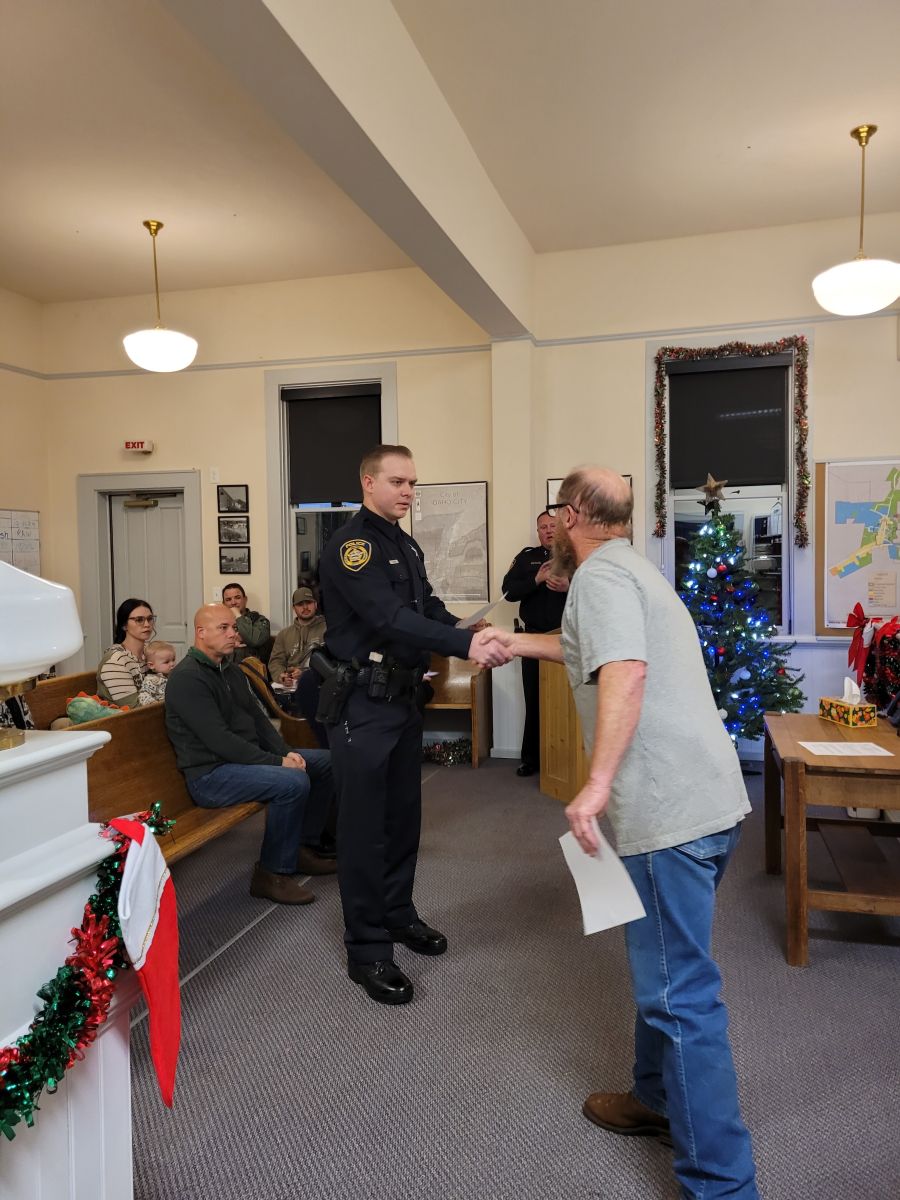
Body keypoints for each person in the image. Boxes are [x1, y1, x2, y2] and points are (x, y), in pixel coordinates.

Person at [483, 467, 758, 1200]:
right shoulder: (632, 570)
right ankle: (655, 1097)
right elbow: (580, 647)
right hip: (711, 803)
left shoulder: (600, 581)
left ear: (573, 515)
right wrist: (512, 644)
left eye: (554, 520)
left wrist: (597, 782)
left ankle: (724, 1188)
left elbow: (625, 673)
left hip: (667, 816)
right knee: (669, 965)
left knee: (682, 996)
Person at [317, 444, 510, 1005]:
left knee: (403, 820)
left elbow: (424, 607)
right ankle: (367, 948)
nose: (407, 492)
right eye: (398, 481)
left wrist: (469, 628)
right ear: (368, 482)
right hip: (361, 704)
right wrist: (465, 643)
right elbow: (387, 617)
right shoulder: (353, 546)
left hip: (401, 700)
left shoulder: (402, 543)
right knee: (363, 828)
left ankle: (398, 914)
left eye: (413, 483)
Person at [164, 604, 337, 904]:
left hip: (239, 763)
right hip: (211, 775)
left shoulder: (228, 669)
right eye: (225, 628)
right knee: (292, 783)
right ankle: (271, 874)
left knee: (325, 763)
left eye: (234, 627)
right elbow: (220, 741)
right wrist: (278, 763)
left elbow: (258, 721)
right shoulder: (187, 678)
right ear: (201, 633)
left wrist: (287, 753)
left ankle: (301, 848)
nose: (235, 634)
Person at [501, 510, 569, 776]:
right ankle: (531, 759)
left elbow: (594, 588)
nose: (548, 530)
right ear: (538, 531)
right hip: (533, 639)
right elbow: (507, 592)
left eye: (553, 525)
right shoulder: (526, 557)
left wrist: (569, 584)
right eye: (543, 527)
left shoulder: (574, 555)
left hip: (567, 641)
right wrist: (536, 579)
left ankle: (567, 761)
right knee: (535, 700)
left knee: (569, 703)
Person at [97, 598, 155, 708]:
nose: (147, 624)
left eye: (150, 619)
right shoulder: (115, 661)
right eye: (139, 620)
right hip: (122, 721)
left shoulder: (150, 652)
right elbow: (133, 708)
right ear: (124, 625)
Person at [268, 587, 327, 684]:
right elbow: (276, 662)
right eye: (300, 604)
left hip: (319, 683)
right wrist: (281, 676)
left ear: (315, 604)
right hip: (289, 687)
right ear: (293, 608)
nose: (305, 608)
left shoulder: (327, 630)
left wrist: (305, 673)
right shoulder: (284, 634)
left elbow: (332, 663)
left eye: (308, 603)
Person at [222, 582, 271, 664]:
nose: (233, 602)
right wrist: (231, 643)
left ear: (245, 600)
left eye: (237, 598)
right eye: (228, 599)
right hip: (223, 670)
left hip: (252, 671)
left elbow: (254, 641)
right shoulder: (219, 623)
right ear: (224, 604)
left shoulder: (260, 620)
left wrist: (238, 615)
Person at [137, 640, 177, 706]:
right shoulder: (152, 680)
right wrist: (154, 704)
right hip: (161, 711)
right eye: (166, 662)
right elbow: (143, 695)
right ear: (151, 665)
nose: (172, 664)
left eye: (173, 660)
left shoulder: (174, 675)